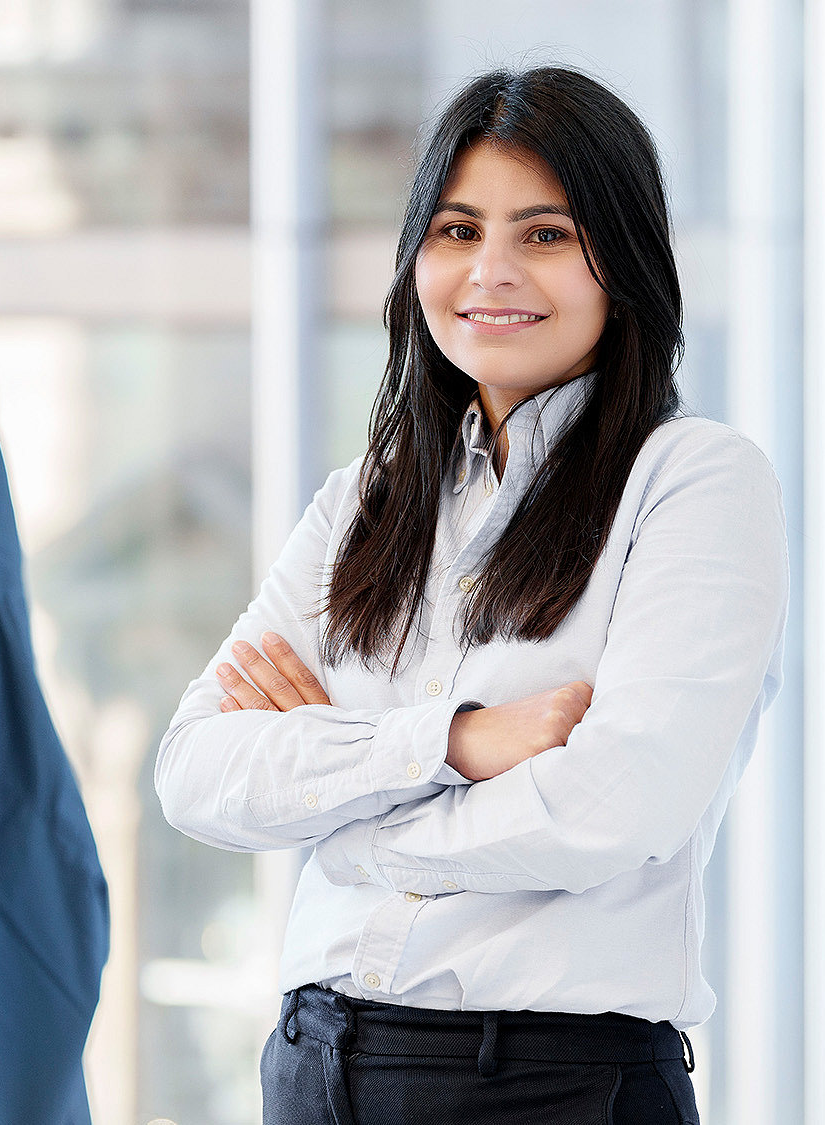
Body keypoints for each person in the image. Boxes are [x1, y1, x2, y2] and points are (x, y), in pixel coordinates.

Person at [154, 65, 788, 1124]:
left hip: (543, 1083)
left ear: (620, 263)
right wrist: (452, 746)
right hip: (313, 1064)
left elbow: (612, 809)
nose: (489, 271)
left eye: (542, 234)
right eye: (455, 231)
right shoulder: (362, 504)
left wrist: (344, 828)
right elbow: (193, 773)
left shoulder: (692, 482)